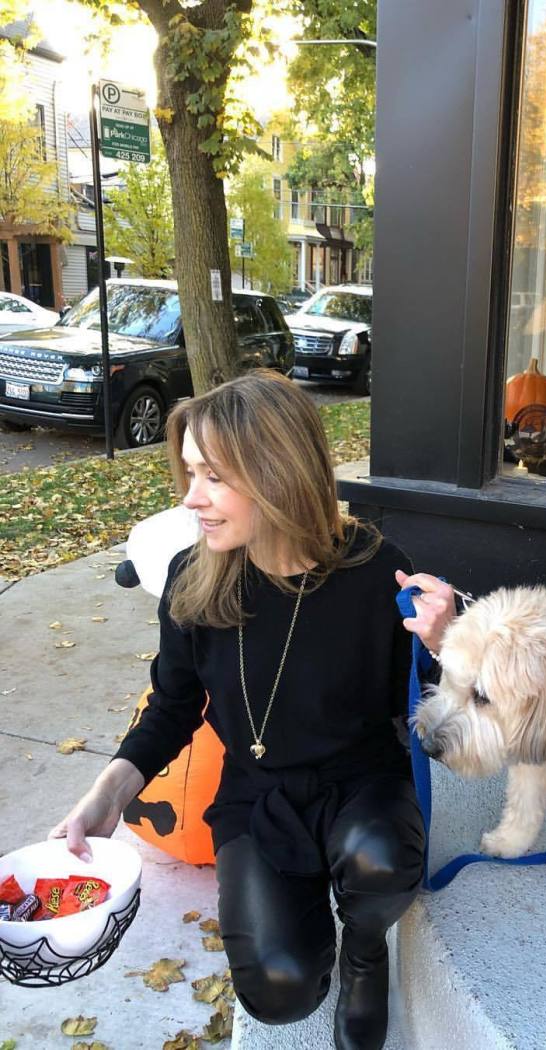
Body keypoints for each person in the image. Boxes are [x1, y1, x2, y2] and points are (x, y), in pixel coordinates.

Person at [50, 370, 426, 1050]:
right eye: (190, 472)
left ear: (278, 473)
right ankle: (311, 915)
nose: (191, 497)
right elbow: (172, 707)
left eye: (214, 477)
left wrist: (447, 641)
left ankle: (365, 950)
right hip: (258, 796)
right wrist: (106, 795)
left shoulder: (377, 570)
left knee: (375, 865)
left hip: (361, 781)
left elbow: (431, 702)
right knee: (279, 994)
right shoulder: (195, 578)